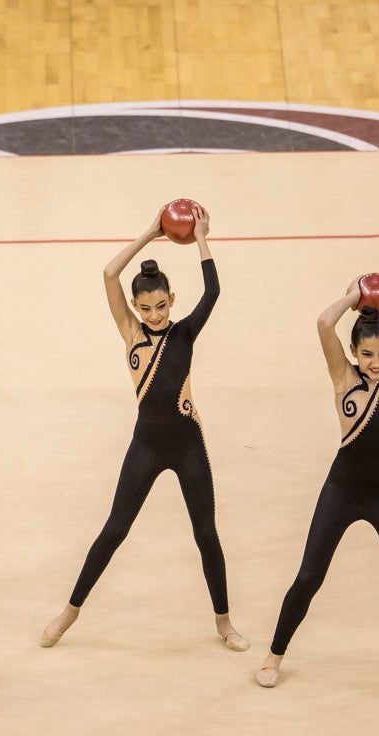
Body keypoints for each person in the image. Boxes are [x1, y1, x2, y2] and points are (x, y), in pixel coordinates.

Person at [40, 206, 247, 652]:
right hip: (147, 446)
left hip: (189, 444)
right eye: (146, 308)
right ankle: (69, 612)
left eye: (161, 305)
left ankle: (224, 622)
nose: (154, 314)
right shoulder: (131, 334)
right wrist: (150, 233)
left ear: (172, 299)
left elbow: (212, 291)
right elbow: (109, 273)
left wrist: (202, 237)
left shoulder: (185, 333)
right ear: (136, 307)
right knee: (114, 529)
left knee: (206, 534)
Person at [256, 276, 379, 692]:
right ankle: (274, 655)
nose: (376, 361)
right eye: (367, 354)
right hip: (342, 492)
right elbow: (323, 323)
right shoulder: (343, 378)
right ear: (353, 352)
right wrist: (355, 297)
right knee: (309, 577)